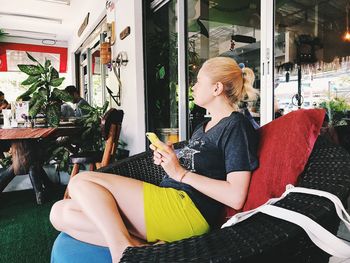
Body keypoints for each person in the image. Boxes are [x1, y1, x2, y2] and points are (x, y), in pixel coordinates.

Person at [49, 57, 259, 262]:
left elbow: (235, 195)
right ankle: (141, 249)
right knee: (59, 213)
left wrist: (180, 173)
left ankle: (122, 252)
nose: (193, 87)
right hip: (167, 201)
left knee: (80, 181)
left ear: (217, 88)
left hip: (187, 211)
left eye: (198, 82)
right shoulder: (201, 128)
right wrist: (170, 159)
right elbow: (192, 167)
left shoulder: (235, 126)